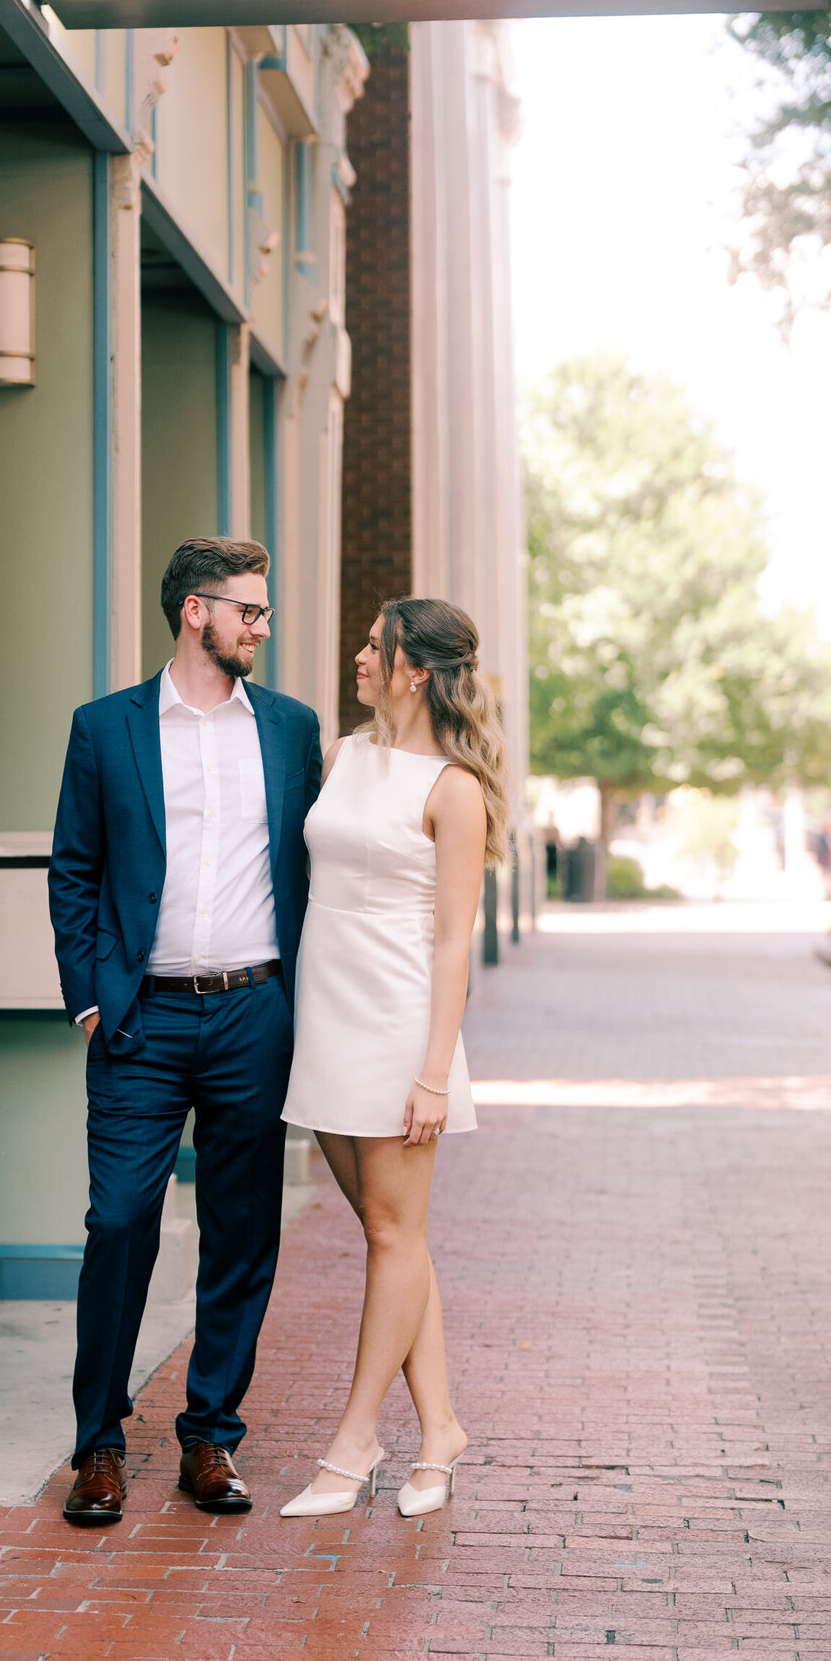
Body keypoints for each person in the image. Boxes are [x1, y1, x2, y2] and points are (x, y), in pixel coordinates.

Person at [48, 536, 322, 1526]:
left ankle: (211, 1435)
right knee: (118, 1221)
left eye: (264, 611)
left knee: (240, 1229)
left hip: (255, 1009)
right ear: (194, 611)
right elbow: (73, 866)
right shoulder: (106, 727)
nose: (261, 625)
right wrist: (89, 997)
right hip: (143, 1016)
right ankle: (98, 1444)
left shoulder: (292, 731)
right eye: (249, 609)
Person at [279, 597, 507, 1520]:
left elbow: (454, 942)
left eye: (378, 647)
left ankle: (357, 1440)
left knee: (389, 1233)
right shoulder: (342, 755)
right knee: (392, 1233)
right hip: (326, 1015)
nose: (360, 655)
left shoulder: (454, 788)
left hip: (403, 1026)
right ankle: (442, 1427)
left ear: (417, 670)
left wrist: (432, 1072)